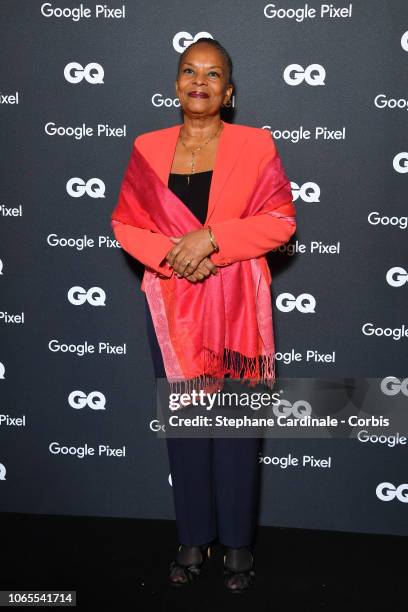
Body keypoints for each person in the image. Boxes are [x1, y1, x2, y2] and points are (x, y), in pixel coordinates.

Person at [111, 38, 296, 594]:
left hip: (238, 299)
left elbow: (280, 221)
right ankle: (193, 538)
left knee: (236, 425)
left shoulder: (255, 145)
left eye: (213, 75)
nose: (200, 81)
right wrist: (175, 256)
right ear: (175, 84)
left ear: (229, 91)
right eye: (189, 71)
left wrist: (211, 238)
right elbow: (126, 223)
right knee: (187, 425)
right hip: (174, 302)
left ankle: (236, 543)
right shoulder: (147, 147)